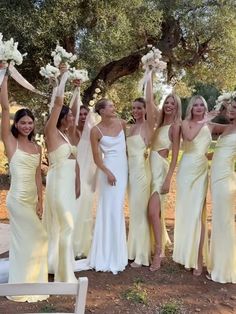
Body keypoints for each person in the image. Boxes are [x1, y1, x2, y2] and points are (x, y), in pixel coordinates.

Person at [0, 74, 48, 302]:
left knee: (26, 241)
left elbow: (38, 175)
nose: (27, 126)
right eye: (22, 122)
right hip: (17, 200)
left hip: (31, 200)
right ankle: (22, 287)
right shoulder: (10, 142)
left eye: (30, 122)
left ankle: (27, 282)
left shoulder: (36, 147)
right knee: (38, 236)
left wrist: (41, 200)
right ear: (16, 124)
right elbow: (5, 107)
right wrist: (4, 76)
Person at [173, 95, 217, 276]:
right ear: (190, 108)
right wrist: (205, 120)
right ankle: (185, 255)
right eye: (195, 105)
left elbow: (230, 130)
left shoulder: (211, 125)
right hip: (186, 170)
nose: (198, 108)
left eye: (202, 105)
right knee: (186, 213)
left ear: (205, 108)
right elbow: (189, 138)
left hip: (201, 171)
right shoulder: (186, 123)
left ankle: (198, 259)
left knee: (198, 214)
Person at [85, 98, 128, 274]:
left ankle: (118, 254)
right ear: (101, 111)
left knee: (117, 209)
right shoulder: (95, 131)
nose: (114, 107)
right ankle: (104, 254)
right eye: (110, 105)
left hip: (122, 169)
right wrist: (108, 172)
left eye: (113, 105)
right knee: (107, 209)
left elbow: (128, 148)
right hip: (107, 171)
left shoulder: (123, 123)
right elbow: (96, 158)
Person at [43, 95, 80, 282]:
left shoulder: (66, 135)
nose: (74, 119)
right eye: (71, 116)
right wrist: (63, 77)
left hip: (68, 186)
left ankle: (56, 263)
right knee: (67, 226)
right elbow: (58, 104)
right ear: (61, 117)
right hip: (57, 185)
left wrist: (77, 89)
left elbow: (73, 162)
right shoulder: (51, 132)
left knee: (64, 227)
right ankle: (64, 274)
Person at [146, 77, 181, 271]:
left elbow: (175, 155)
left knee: (152, 211)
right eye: (167, 102)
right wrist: (150, 72)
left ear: (177, 107)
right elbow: (149, 101)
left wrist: (168, 179)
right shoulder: (158, 124)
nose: (169, 105)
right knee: (153, 212)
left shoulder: (176, 127)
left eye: (172, 103)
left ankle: (159, 251)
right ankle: (158, 246)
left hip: (161, 170)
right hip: (148, 168)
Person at [207, 100, 236, 283]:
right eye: (230, 106)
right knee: (219, 220)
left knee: (224, 222)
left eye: (235, 107)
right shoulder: (226, 128)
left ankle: (225, 270)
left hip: (226, 181)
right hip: (216, 179)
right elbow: (205, 125)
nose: (231, 110)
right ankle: (218, 264)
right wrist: (214, 112)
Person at [127, 97, 153, 267]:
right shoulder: (130, 129)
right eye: (134, 108)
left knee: (140, 212)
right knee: (134, 212)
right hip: (131, 173)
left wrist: (149, 74)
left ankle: (142, 255)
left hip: (142, 174)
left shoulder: (148, 126)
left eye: (139, 108)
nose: (136, 111)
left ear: (145, 110)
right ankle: (133, 250)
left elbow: (149, 148)